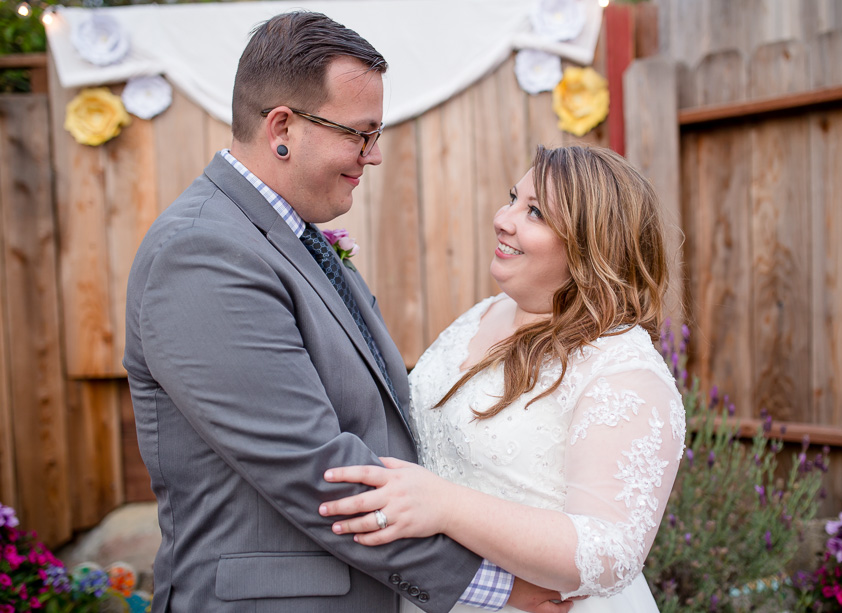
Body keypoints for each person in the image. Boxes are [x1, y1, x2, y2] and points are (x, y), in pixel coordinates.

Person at [124, 11, 572, 613]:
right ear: (282, 125)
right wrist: (497, 587)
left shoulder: (293, 238)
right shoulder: (203, 254)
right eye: (361, 133)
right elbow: (317, 472)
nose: (374, 155)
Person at [319, 145, 687, 612]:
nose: (503, 218)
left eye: (534, 212)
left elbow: (608, 552)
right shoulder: (484, 314)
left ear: (591, 243)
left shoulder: (623, 371)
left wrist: (444, 505)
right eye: (513, 197)